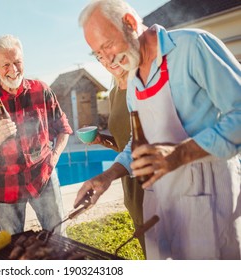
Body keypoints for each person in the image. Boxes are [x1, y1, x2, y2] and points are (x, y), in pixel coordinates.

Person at [75, 0, 241, 259]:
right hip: (163, 201)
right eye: (98, 53)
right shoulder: (132, 81)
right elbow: (137, 142)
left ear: (130, 23)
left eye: (108, 44)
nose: (107, 59)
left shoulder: (192, 46)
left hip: (210, 196)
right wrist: (107, 177)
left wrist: (181, 153)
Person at [0, 34, 73, 235]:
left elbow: (63, 129)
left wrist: (53, 160)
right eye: (6, 64)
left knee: (58, 238)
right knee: (12, 248)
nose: (13, 70)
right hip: (6, 184)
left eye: (17, 62)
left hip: (43, 177)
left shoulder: (41, 90)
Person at [90, 65, 145, 255]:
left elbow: (145, 137)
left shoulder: (142, 86)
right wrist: (102, 139)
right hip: (129, 182)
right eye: (99, 57)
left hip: (151, 180)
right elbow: (125, 145)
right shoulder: (113, 93)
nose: (107, 60)